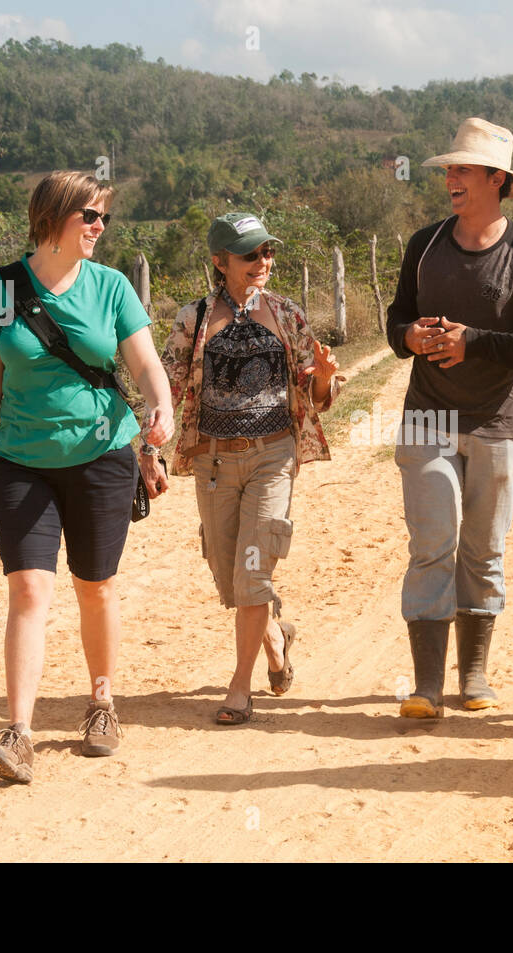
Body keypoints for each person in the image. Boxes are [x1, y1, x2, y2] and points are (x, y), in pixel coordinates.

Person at [0, 170, 174, 783]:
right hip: (21, 461)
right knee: (28, 590)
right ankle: (18, 732)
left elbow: (146, 363)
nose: (101, 228)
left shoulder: (111, 288)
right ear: (53, 218)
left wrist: (164, 407)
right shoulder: (0, 290)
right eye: (91, 216)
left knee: (94, 586)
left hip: (102, 456)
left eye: (104, 217)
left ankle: (102, 704)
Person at [386, 117, 513, 718]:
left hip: (497, 424)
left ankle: (476, 677)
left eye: (462, 169)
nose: (451, 179)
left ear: (496, 179)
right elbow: (395, 325)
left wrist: (475, 342)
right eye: (449, 170)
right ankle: (427, 687)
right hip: (426, 419)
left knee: (483, 551)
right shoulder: (424, 246)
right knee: (432, 544)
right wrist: (410, 336)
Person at [156, 212, 342, 725]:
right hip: (214, 459)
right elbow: (169, 384)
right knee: (229, 574)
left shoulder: (287, 314)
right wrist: (145, 442)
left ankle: (240, 688)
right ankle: (276, 636)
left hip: (273, 454)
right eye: (251, 254)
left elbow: (316, 393)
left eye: (267, 252)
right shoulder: (192, 319)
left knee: (254, 571)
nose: (264, 262)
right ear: (220, 262)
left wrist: (324, 378)